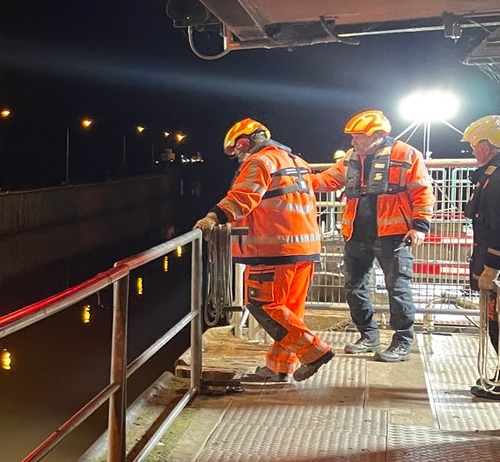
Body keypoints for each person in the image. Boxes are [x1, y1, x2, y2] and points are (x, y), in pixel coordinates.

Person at [195, 118, 333, 383]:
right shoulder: (296, 161)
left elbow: (243, 196)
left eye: (236, 148)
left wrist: (213, 217)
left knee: (262, 304)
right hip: (304, 248)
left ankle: (315, 352)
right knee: (289, 310)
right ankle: (280, 367)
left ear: (245, 142)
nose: (236, 154)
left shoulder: (259, 162)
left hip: (273, 249)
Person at [307, 110, 435, 363]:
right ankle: (368, 335)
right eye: (353, 137)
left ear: (378, 135)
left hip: (393, 236)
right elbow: (328, 180)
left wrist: (420, 226)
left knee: (397, 289)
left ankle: (402, 341)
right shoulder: (351, 158)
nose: (353, 142)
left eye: (358, 137)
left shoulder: (406, 154)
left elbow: (422, 190)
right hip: (356, 234)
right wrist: (297, 178)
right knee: (354, 287)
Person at [460, 115, 500, 400]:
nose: (473, 150)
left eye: (475, 145)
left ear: (487, 146)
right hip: (490, 258)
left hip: (495, 264)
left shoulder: (496, 181)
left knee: (497, 322)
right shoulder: (490, 177)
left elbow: (496, 226)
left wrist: (491, 268)